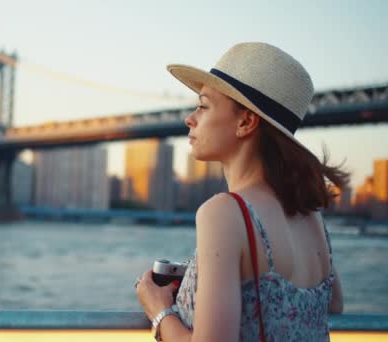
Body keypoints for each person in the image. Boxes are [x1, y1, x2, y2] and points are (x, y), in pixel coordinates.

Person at [135, 42, 346, 341]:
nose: (189, 118)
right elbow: (333, 304)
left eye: (203, 106)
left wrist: (158, 309)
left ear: (246, 122)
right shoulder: (310, 214)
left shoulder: (224, 212)